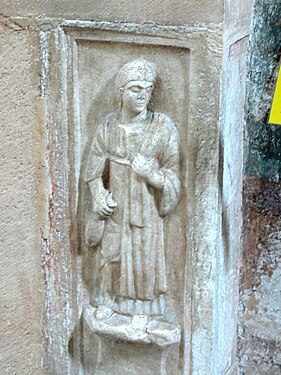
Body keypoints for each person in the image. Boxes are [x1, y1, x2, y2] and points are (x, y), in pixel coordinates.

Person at [85, 58, 181, 318]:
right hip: (116, 207)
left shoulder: (162, 127)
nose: (142, 95)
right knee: (111, 254)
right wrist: (98, 195)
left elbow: (173, 176)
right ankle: (108, 300)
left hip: (146, 210)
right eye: (135, 89)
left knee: (143, 259)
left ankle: (143, 311)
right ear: (121, 92)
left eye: (147, 89)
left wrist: (152, 174)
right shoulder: (108, 125)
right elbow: (93, 170)